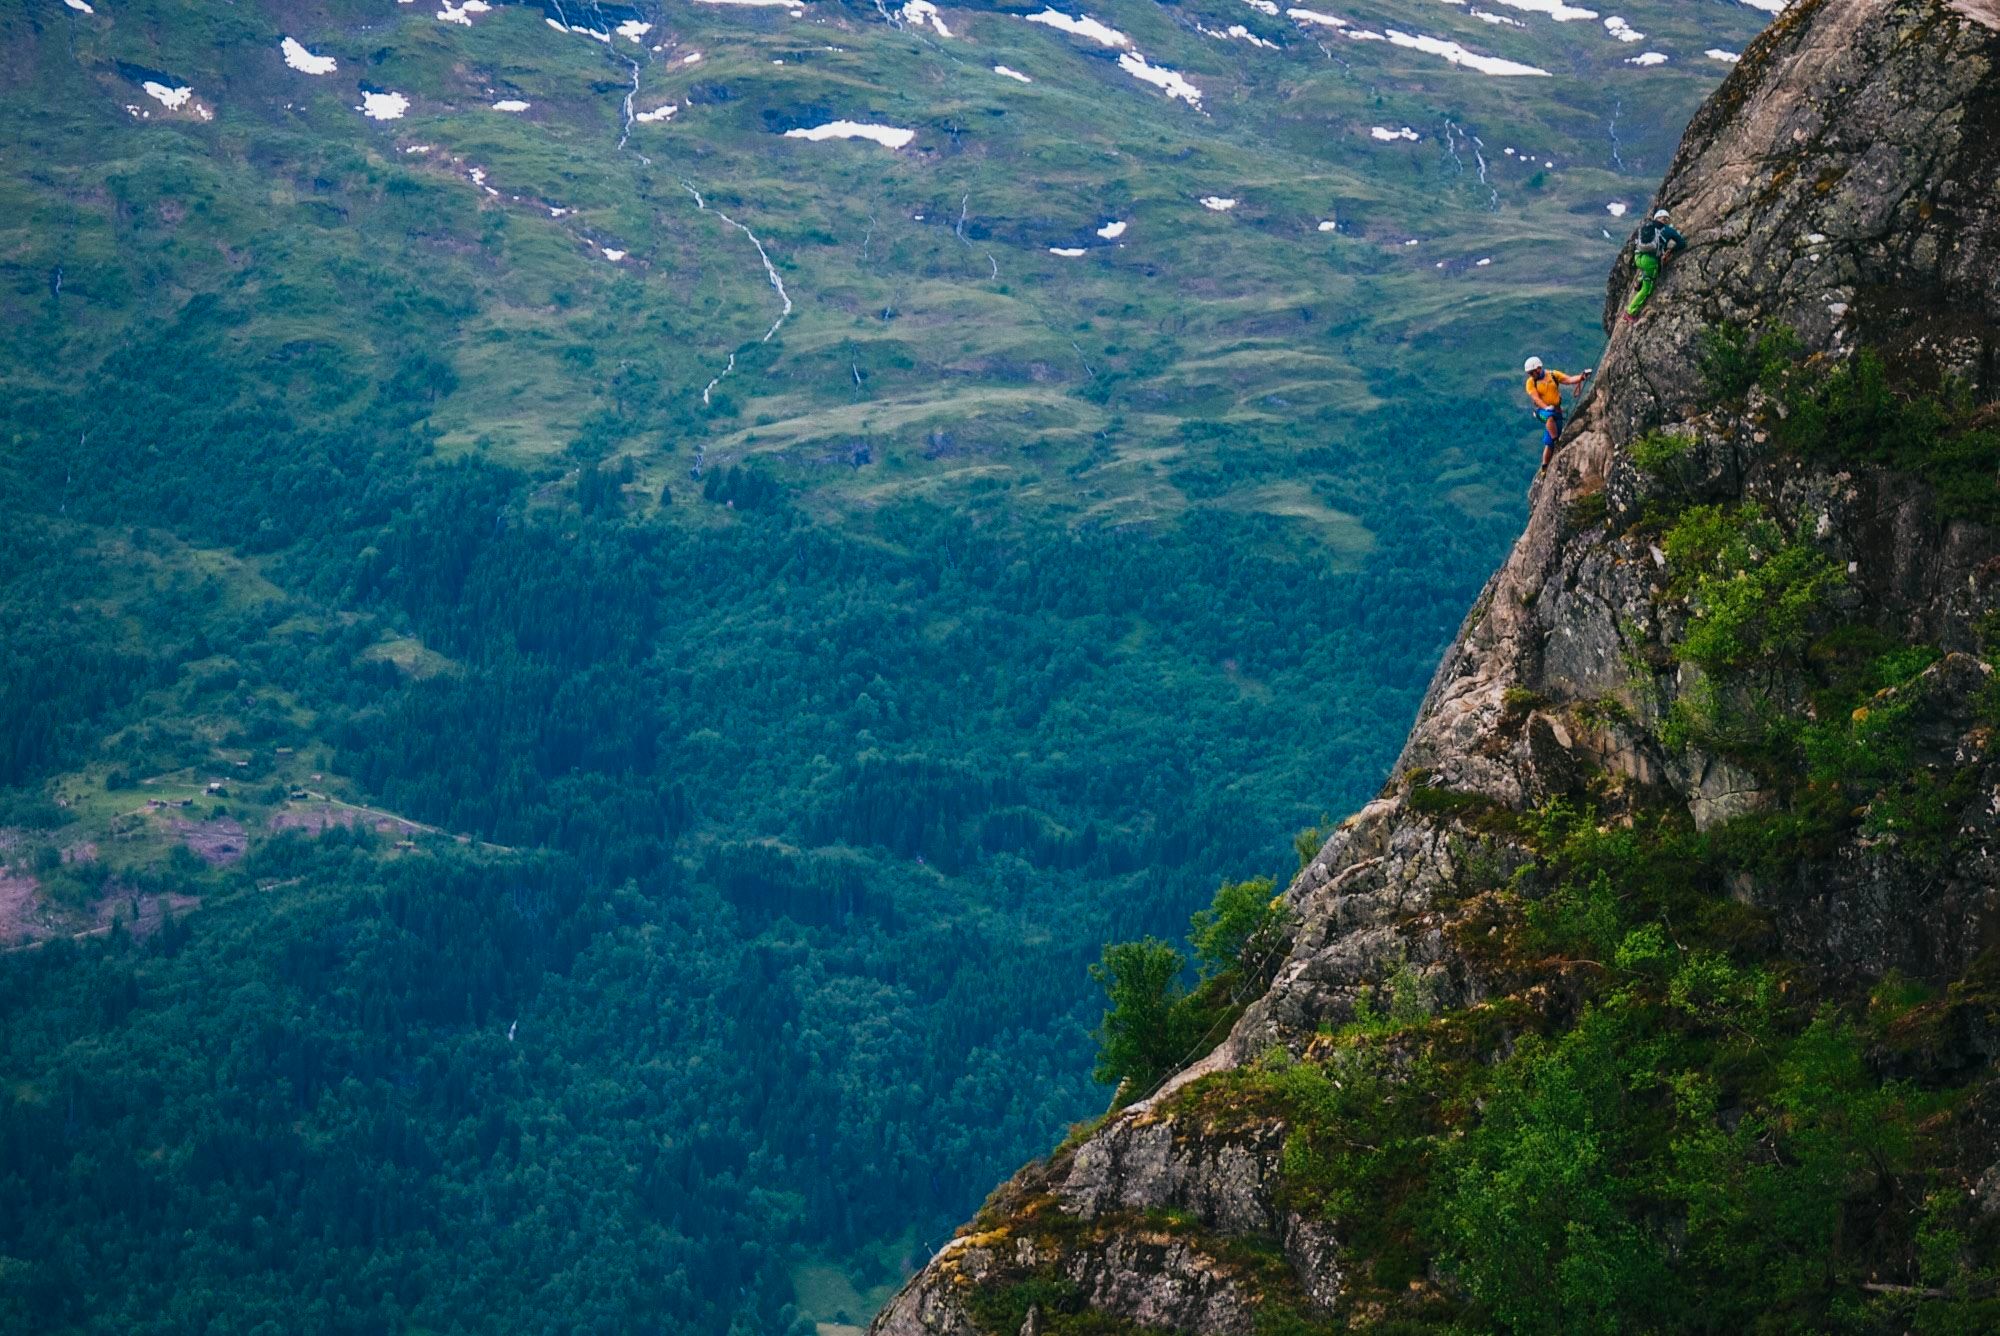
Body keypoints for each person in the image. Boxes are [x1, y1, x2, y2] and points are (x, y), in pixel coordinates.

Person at [1524, 356, 1591, 478]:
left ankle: (1544, 466)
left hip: (1556, 410)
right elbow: (1536, 398)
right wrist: (1545, 407)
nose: (1530, 375)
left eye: (1531, 372)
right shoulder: (1530, 382)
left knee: (1549, 444)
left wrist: (1582, 377)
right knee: (1549, 418)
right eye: (1529, 373)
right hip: (1541, 411)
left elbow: (1569, 380)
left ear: (1538, 368)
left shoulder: (1553, 375)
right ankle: (1557, 441)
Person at [1623, 208, 1687, 323]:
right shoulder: (1668, 230)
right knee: (1647, 289)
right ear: (1667, 220)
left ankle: (1641, 278)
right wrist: (1670, 250)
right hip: (1650, 261)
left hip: (1638, 257)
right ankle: (1630, 312)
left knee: (1647, 271)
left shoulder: (1646, 226)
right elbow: (1682, 243)